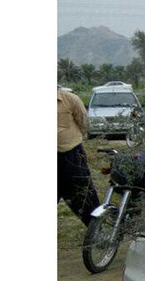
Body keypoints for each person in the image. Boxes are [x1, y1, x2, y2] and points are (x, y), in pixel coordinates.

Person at [57, 86, 99, 224]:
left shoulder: (71, 99)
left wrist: (68, 140)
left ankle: (98, 233)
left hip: (71, 157)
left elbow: (84, 124)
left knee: (85, 198)